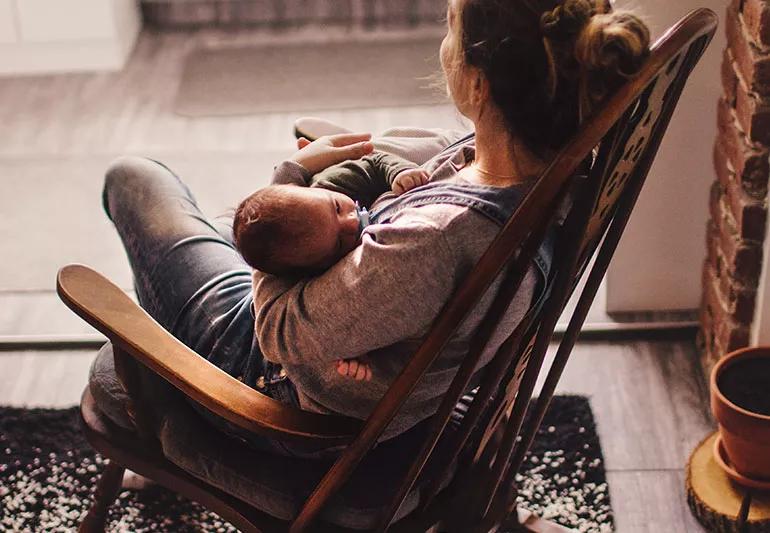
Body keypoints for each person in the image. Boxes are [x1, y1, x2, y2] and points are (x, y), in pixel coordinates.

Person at [94, 0, 650, 456]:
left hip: (277, 394)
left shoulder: (434, 242)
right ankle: (167, 343)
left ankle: (165, 387)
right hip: (359, 356)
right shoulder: (549, 173)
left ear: (479, 86)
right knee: (214, 223)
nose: (443, 47)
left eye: (449, 29)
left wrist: (286, 184)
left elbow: (277, 334)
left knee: (135, 179)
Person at [233, 152, 431, 380]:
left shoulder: (331, 183)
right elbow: (349, 319)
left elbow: (375, 162)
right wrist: (352, 348)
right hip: (257, 346)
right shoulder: (319, 275)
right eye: (338, 243)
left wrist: (399, 172)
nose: (351, 222)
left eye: (337, 208)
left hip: (252, 326)